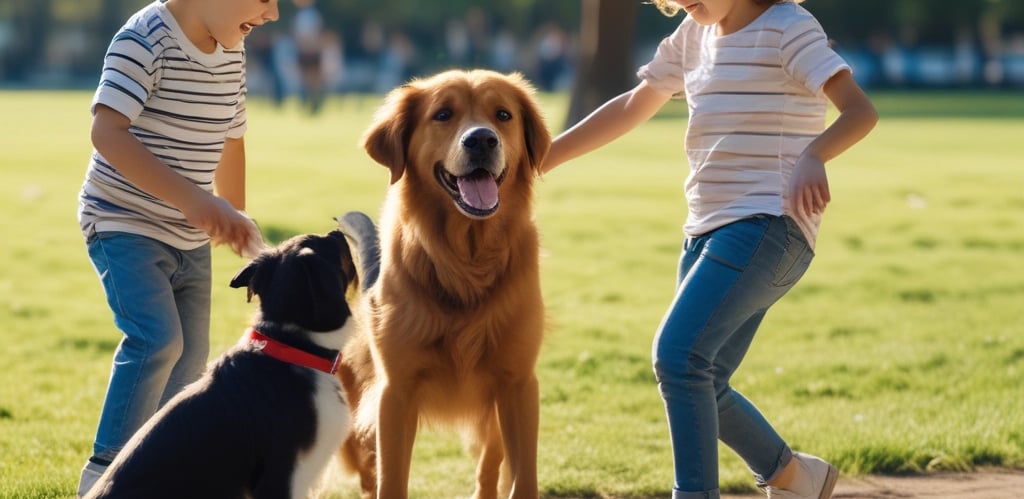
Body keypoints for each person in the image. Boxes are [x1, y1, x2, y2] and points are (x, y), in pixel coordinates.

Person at [542, 1, 877, 498]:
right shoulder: (691, 36)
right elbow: (635, 105)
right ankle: (795, 478)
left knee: (678, 357)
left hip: (770, 224)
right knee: (704, 378)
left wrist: (814, 155)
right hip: (704, 231)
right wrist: (544, 157)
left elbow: (860, 111)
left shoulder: (787, 28)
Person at [75, 0, 276, 496]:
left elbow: (233, 138)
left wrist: (233, 212)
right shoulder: (146, 39)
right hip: (124, 221)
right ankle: (103, 476)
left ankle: (160, 472)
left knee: (191, 362)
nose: (272, 13)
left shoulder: (233, 50)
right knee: (157, 340)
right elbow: (106, 131)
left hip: (188, 235)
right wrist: (197, 200)